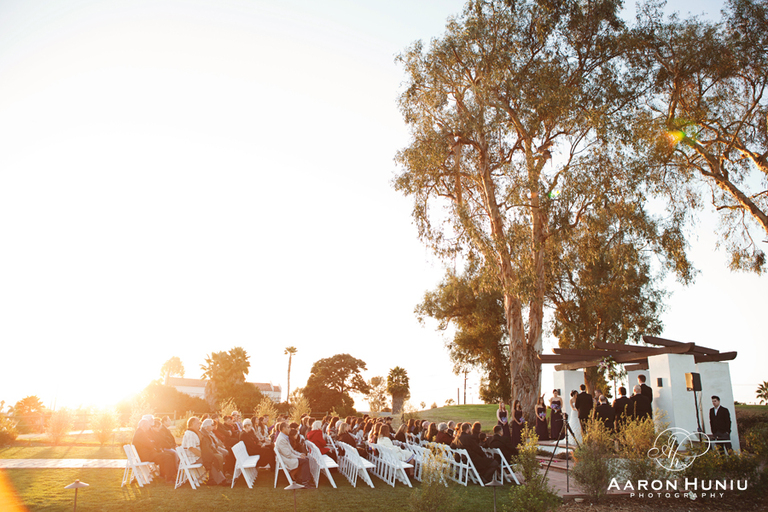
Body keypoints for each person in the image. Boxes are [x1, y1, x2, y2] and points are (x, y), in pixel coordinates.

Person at [132, 418, 177, 483]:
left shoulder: (140, 432)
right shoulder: (140, 433)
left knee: (167, 455)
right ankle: (169, 478)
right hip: (146, 455)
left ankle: (163, 475)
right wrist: (155, 447)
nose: (149, 427)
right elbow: (149, 444)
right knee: (167, 456)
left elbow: (149, 443)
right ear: (144, 425)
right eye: (148, 425)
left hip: (146, 454)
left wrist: (154, 445)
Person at [275, 421, 312, 487]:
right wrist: (299, 457)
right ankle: (305, 482)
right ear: (283, 428)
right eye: (288, 427)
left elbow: (291, 450)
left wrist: (300, 454)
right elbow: (288, 454)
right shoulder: (281, 439)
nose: (290, 429)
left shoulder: (284, 437)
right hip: (286, 459)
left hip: (288, 457)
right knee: (305, 461)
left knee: (306, 459)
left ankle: (302, 479)